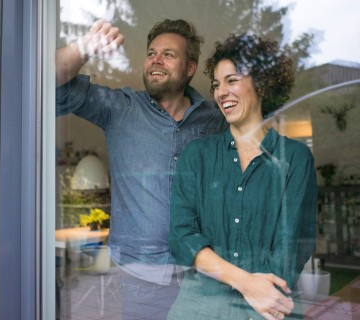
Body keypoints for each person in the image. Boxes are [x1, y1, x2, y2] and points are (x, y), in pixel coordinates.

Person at [56, 19, 227, 319]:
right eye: (151, 53)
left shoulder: (215, 118)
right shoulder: (120, 108)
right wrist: (85, 46)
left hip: (205, 272)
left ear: (189, 68)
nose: (155, 60)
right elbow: (51, 80)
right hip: (143, 277)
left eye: (168, 54)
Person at [168, 34, 317, 320]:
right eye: (216, 84)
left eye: (232, 80)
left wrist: (258, 295)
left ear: (261, 84)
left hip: (268, 310)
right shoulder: (197, 155)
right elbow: (181, 237)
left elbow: (290, 250)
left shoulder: (295, 158)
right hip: (198, 311)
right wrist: (246, 282)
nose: (221, 92)